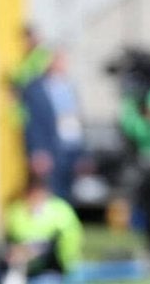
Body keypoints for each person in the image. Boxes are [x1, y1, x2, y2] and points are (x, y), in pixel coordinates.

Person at [21, 53, 85, 201]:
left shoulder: (69, 86)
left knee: (68, 193)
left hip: (71, 148)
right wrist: (37, 150)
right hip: (49, 150)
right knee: (51, 191)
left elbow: (77, 119)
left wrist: (82, 152)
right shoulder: (35, 88)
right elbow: (33, 122)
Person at [3, 176, 83, 282]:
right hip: (22, 265)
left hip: (53, 266)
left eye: (38, 196)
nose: (34, 200)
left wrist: (63, 262)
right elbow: (11, 239)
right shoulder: (16, 211)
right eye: (32, 196)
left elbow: (69, 240)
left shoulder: (60, 211)